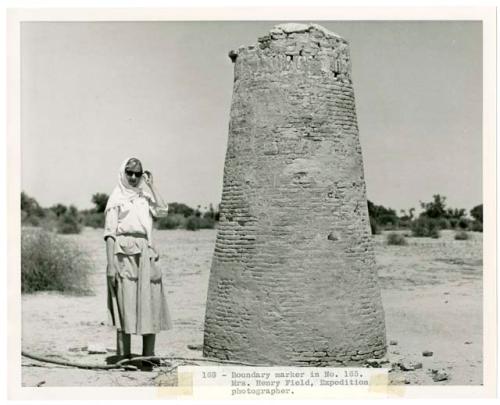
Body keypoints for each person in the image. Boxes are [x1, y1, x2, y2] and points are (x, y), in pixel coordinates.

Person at [104, 157, 172, 370]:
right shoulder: (116, 198)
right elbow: (110, 234)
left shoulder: (146, 196)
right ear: (123, 173)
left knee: (149, 302)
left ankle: (148, 356)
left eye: (138, 173)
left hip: (146, 252)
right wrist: (110, 264)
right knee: (125, 303)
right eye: (130, 172)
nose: (133, 177)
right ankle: (125, 358)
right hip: (124, 253)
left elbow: (163, 210)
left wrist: (151, 185)